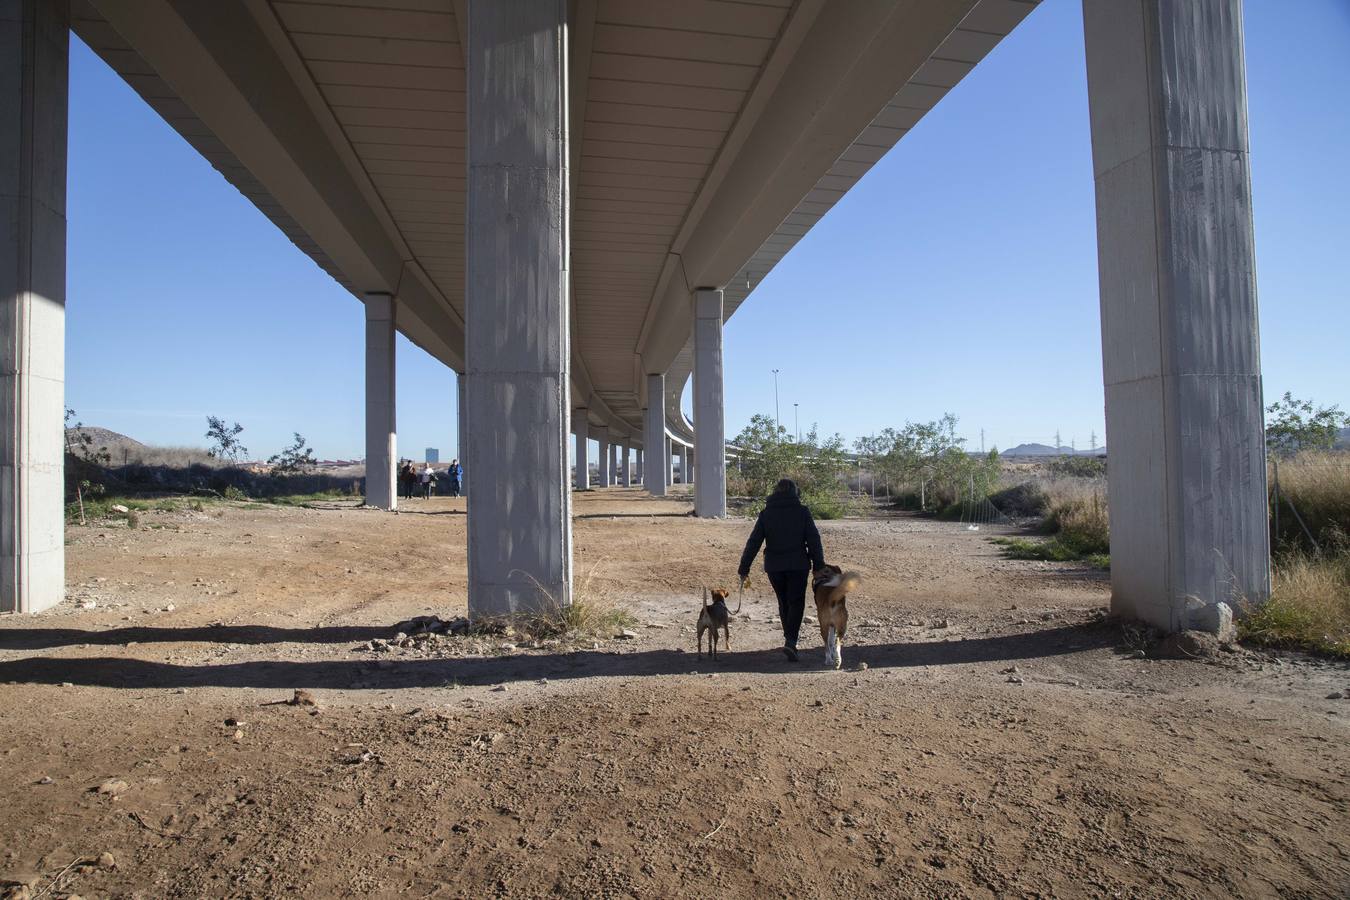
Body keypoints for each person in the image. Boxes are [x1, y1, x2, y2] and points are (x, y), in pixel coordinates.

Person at [737, 478, 825, 662]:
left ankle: (789, 639)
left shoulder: (766, 513)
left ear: (776, 492)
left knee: (783, 601)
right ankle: (791, 641)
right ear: (795, 492)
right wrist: (819, 566)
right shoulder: (802, 512)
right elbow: (814, 539)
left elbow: (754, 542)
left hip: (774, 567)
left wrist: (744, 567)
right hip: (798, 565)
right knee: (796, 602)